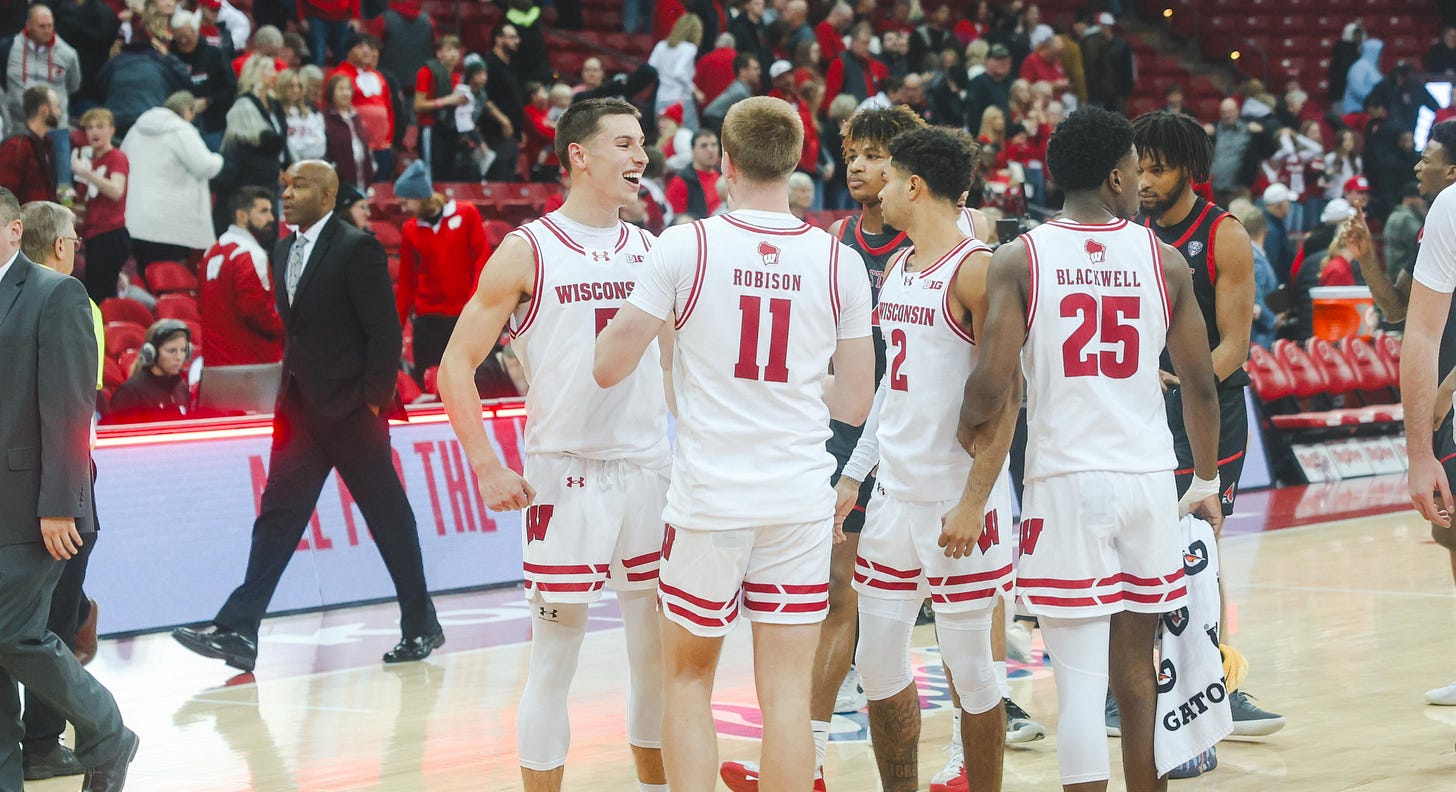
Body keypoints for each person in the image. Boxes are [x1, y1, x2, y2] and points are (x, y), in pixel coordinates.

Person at [594, 95, 874, 792]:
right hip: (798, 498)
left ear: (724, 159)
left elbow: (606, 366)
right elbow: (856, 403)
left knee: (687, 680)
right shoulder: (838, 262)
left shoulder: (685, 245)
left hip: (711, 501)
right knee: (785, 695)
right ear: (798, 159)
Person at [957, 105, 1222, 792]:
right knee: (1137, 676)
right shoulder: (1163, 260)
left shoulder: (1020, 257)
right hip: (1145, 477)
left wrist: (963, 421)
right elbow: (1200, 384)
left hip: (1068, 478)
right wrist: (1205, 481)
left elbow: (990, 385)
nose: (1140, 181)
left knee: (1076, 685)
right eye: (1136, 169)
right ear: (1113, 177)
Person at [436, 97, 669, 792]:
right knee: (554, 660)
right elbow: (453, 364)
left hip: (648, 468)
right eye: (625, 144)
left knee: (652, 656)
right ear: (579, 155)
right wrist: (484, 463)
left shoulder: (654, 249)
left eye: (642, 144)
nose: (641, 157)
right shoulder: (528, 249)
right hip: (565, 475)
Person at [172, 160, 443, 672]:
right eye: (284, 188)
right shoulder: (280, 250)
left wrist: (371, 401)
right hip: (300, 411)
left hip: (351, 413)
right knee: (276, 519)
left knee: (387, 518)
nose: (287, 196)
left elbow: (384, 332)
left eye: (298, 187)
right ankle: (239, 630)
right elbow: (296, 334)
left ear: (328, 193)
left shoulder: (355, 246)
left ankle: (420, 624)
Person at [835, 124, 1013, 792]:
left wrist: (973, 502)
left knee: (971, 671)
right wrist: (855, 473)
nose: (874, 185)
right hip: (893, 498)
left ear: (913, 185)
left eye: (887, 176)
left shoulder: (976, 270)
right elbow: (892, 385)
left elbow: (1007, 400)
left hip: (955, 499)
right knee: (879, 667)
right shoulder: (897, 267)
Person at [1130, 110, 1285, 748]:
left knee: (1198, 548)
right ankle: (1135, 684)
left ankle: (1214, 679)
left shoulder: (1223, 235)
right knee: (1141, 549)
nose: (1143, 178)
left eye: (1156, 167)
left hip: (1210, 410)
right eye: (1137, 165)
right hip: (1139, 411)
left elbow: (1237, 346)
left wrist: (1179, 382)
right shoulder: (1128, 234)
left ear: (1188, 169)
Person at [0, 186, 139, 791]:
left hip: (36, 506)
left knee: (14, 633)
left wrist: (60, 504)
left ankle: (107, 730)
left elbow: (70, 407)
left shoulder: (59, 293)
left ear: (12, 231)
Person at [15, 199, 102, 783]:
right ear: (61, 245)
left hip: (24, 486)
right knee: (53, 626)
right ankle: (50, 742)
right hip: (61, 489)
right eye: (73, 237)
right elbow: (77, 400)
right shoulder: (74, 300)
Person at [392, 160, 489, 386]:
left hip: (463, 315)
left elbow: (482, 260)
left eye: (405, 202)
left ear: (419, 196)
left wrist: (474, 303)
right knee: (427, 381)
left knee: (468, 380)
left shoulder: (467, 214)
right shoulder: (410, 229)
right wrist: (397, 326)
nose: (403, 208)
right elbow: (407, 282)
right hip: (428, 319)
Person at [122, 92, 224, 271]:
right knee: (166, 282)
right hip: (168, 226)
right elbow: (205, 166)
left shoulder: (136, 129)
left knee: (143, 277)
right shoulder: (182, 131)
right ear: (187, 111)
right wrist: (220, 158)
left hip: (136, 220)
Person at [200, 186, 283, 367]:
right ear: (242, 216)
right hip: (250, 363)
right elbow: (256, 311)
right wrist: (284, 329)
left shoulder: (211, 251)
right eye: (263, 211)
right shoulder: (250, 253)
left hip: (215, 362)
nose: (271, 218)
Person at [3, 5, 81, 191]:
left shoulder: (67, 54)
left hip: (56, 125)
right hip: (18, 124)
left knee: (63, 184)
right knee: (13, 182)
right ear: (29, 25)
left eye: (50, 26)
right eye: (42, 26)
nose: (47, 30)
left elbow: (74, 85)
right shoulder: (8, 48)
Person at [71, 108, 131, 306]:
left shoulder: (117, 157)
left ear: (112, 130)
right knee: (95, 292)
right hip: (95, 235)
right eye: (89, 127)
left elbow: (116, 190)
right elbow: (89, 207)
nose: (94, 132)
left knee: (102, 295)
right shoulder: (91, 162)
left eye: (100, 126)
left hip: (111, 234)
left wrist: (87, 174)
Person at [171, 8, 236, 151]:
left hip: (213, 125)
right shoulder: (170, 57)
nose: (183, 41)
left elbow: (230, 88)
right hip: (179, 125)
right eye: (179, 36)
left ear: (196, 32)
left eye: (187, 36)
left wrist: (208, 101)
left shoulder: (215, 55)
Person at [106, 319, 193, 423]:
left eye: (183, 350)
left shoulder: (181, 387)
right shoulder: (130, 393)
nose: (179, 357)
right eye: (171, 351)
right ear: (151, 352)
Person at [413, 34, 466, 182]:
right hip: (431, 128)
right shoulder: (426, 72)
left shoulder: (457, 77)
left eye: (456, 50)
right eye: (449, 50)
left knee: (449, 174)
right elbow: (418, 105)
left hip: (451, 130)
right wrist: (447, 101)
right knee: (432, 174)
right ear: (439, 53)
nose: (453, 54)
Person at [0, 86, 60, 204]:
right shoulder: (17, 145)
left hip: (42, 218)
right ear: (44, 110)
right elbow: (5, 193)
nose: (59, 112)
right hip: (23, 219)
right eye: (57, 107)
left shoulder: (46, 144)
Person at [650, 13, 703, 131]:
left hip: (662, 97)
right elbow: (679, 72)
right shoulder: (689, 48)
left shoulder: (661, 46)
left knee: (665, 137)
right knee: (688, 134)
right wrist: (694, 90)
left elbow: (651, 67)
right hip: (680, 99)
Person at [322, 73, 374, 188]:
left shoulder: (356, 116)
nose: (345, 93)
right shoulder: (325, 117)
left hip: (362, 176)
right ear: (332, 92)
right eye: (341, 89)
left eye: (348, 89)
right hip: (339, 180)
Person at [665, 128, 722, 218]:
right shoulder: (680, 182)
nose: (710, 150)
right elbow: (675, 219)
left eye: (714, 145)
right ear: (692, 150)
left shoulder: (723, 175)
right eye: (704, 146)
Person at [701, 52, 759, 133]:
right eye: (755, 69)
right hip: (715, 122)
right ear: (743, 71)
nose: (759, 73)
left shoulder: (740, 87)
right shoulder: (741, 92)